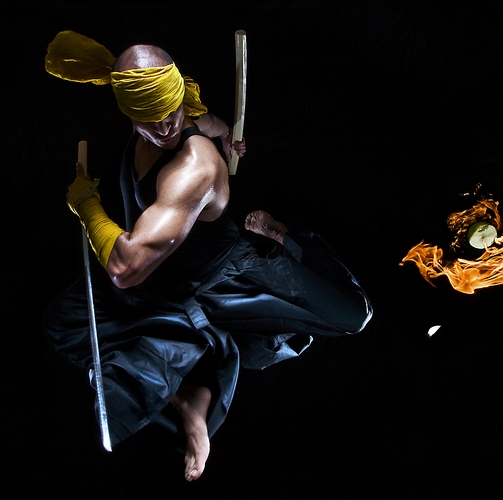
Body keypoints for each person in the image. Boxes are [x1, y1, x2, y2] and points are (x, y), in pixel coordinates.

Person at [43, 30, 373, 482]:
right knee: (66, 320)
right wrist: (228, 137)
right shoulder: (177, 115)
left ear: (180, 94)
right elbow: (212, 121)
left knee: (354, 314)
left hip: (227, 278)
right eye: (150, 120)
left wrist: (87, 204)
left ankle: (278, 234)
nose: (166, 128)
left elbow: (125, 267)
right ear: (128, 113)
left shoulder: (193, 166)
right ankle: (187, 397)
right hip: (166, 282)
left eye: (173, 112)